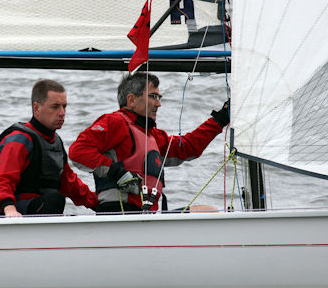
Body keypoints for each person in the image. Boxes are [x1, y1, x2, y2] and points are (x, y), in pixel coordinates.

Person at [69, 72, 229, 213]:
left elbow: (187, 148)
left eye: (159, 98)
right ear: (131, 100)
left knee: (208, 211)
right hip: (118, 215)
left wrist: (220, 119)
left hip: (146, 217)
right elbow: (78, 152)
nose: (158, 104)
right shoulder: (115, 122)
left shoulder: (153, 135)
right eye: (153, 96)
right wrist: (116, 172)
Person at [0, 79, 97, 216]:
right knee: (55, 199)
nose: (62, 112)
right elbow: (1, 182)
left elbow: (70, 183)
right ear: (36, 108)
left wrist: (98, 204)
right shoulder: (19, 140)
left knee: (55, 198)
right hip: (9, 211)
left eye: (64, 106)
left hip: (41, 207)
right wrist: (9, 209)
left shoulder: (56, 142)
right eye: (55, 107)